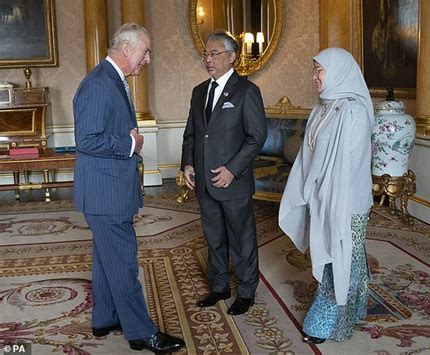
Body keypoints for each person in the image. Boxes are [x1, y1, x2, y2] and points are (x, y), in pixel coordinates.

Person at [73, 23, 185, 354]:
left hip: (108, 190)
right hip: (105, 194)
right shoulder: (99, 85)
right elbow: (87, 139)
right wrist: (129, 142)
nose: (147, 59)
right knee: (123, 261)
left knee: (106, 257)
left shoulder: (111, 80)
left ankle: (105, 318)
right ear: (126, 50)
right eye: (145, 51)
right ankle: (141, 332)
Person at [279, 47, 374, 343]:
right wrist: (307, 188)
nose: (314, 77)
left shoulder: (354, 110)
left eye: (319, 70)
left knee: (342, 255)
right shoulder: (321, 107)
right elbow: (309, 154)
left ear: (338, 71)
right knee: (345, 254)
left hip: (347, 199)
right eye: (314, 70)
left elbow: (351, 161)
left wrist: (324, 189)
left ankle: (325, 321)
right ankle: (356, 305)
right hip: (322, 195)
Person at [181, 30, 267, 316]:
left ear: (231, 57)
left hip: (234, 181)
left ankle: (246, 291)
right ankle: (219, 286)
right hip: (205, 181)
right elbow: (192, 133)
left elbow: (257, 137)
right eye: (206, 54)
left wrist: (232, 169)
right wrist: (188, 164)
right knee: (214, 236)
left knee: (241, 238)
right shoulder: (197, 92)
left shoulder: (247, 92)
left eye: (214, 53)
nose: (208, 59)